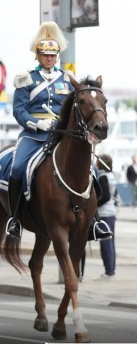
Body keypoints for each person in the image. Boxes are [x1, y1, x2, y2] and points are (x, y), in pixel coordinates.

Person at [4, 22, 73, 239]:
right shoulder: (27, 78)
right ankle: (15, 218)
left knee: (89, 167)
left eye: (53, 55)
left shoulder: (66, 79)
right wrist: (36, 123)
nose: (50, 58)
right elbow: (19, 110)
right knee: (17, 168)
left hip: (59, 136)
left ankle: (94, 219)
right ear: (38, 55)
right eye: (46, 55)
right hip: (34, 135)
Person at [95, 154, 117, 280]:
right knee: (111, 243)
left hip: (104, 214)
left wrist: (94, 205)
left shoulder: (103, 176)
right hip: (111, 213)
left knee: (105, 244)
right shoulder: (111, 175)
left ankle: (109, 272)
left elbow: (106, 196)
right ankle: (111, 270)